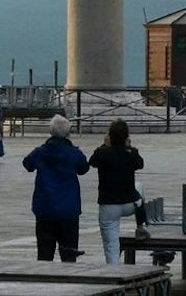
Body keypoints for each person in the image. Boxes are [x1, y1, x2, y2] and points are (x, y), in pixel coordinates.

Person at [24, 113, 90, 262]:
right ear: (67, 133)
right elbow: (84, 168)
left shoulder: (41, 152)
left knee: (44, 254)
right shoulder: (73, 153)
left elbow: (27, 164)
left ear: (51, 132)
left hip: (45, 207)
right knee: (69, 254)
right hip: (69, 209)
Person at [88, 118, 148, 265]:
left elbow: (91, 162)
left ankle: (114, 272)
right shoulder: (131, 153)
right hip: (129, 203)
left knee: (111, 246)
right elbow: (140, 164)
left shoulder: (102, 153)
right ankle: (140, 226)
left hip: (109, 204)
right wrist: (130, 147)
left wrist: (105, 145)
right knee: (139, 186)